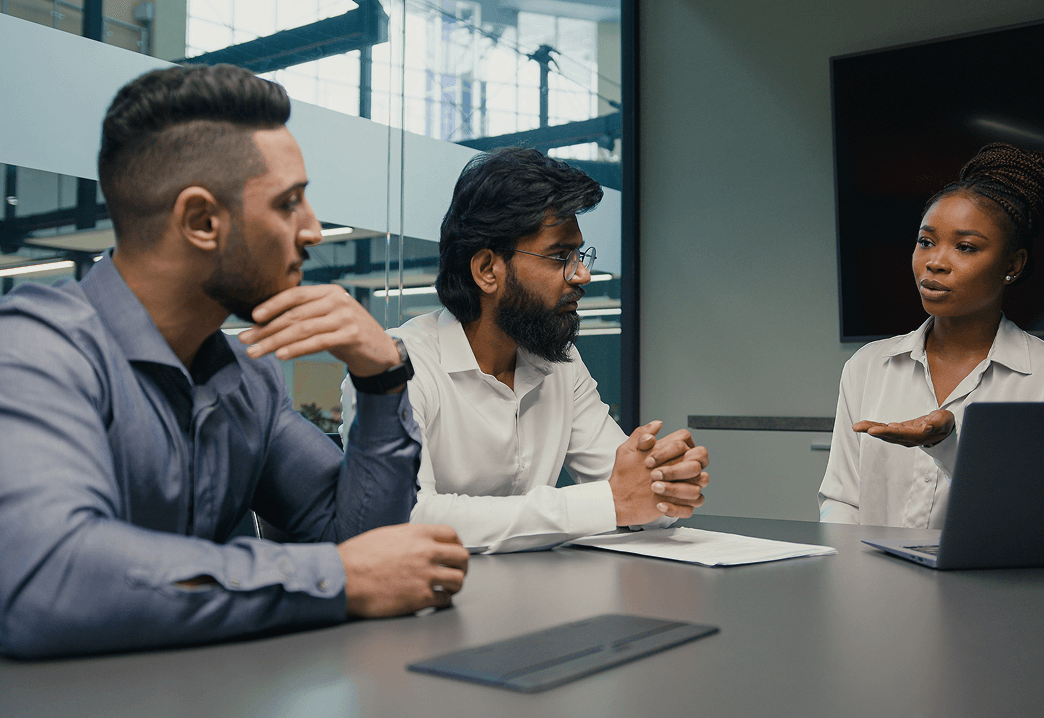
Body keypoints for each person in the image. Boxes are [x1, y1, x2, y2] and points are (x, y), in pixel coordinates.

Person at [0, 64, 468, 659]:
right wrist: (335, 577)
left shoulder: (249, 376)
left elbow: (363, 546)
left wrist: (381, 377)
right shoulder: (35, 350)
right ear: (201, 221)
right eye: (289, 203)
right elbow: (50, 582)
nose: (314, 230)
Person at [342, 148, 709, 553]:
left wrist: (663, 483)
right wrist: (611, 501)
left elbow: (629, 490)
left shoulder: (559, 363)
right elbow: (409, 517)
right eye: (559, 256)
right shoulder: (396, 368)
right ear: (486, 270)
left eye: (579, 254)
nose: (582, 274)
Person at [819, 143, 1044, 528]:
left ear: (1013, 264)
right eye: (926, 241)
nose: (935, 262)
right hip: (873, 587)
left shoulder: (1038, 377)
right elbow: (842, 501)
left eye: (965, 247)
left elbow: (1025, 517)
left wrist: (946, 446)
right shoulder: (868, 366)